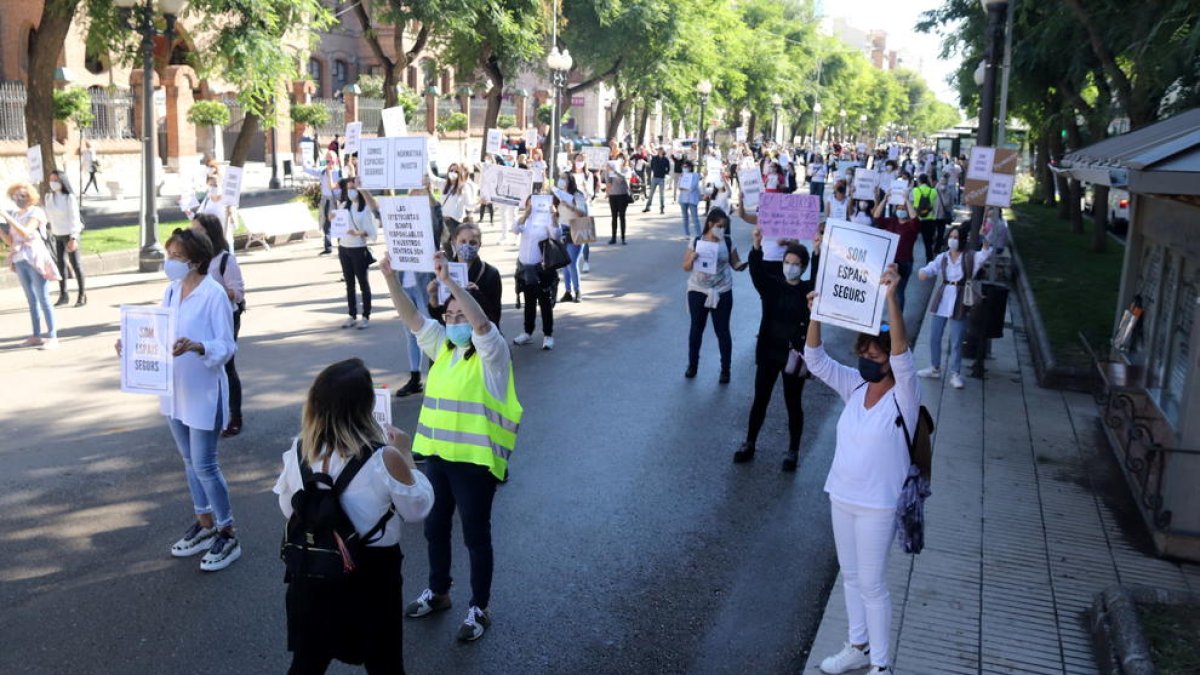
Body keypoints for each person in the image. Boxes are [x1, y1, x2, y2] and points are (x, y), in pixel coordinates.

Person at [378, 251, 522, 643]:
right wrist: (389, 277)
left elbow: (480, 324)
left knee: (476, 536)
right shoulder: (444, 348)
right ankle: (439, 591)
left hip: (474, 464)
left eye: (463, 316)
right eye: (450, 315)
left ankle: (479, 607)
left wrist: (452, 284)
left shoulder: (494, 356)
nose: (456, 322)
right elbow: (412, 319)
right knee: (435, 528)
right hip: (437, 457)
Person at [273, 359, 433, 674]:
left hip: (313, 570)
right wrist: (407, 456)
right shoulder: (383, 457)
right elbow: (418, 509)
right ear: (366, 407)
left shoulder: (299, 450)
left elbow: (288, 508)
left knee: (308, 661)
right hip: (372, 574)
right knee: (384, 661)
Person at [805, 264, 915, 675]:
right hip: (842, 496)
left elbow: (902, 355)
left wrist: (891, 299)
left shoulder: (904, 393)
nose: (868, 360)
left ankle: (882, 667)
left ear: (889, 359)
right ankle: (857, 646)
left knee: (872, 584)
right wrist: (816, 313)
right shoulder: (853, 384)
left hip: (878, 505)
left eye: (875, 355)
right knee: (850, 578)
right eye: (864, 354)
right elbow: (815, 360)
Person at [117, 228, 239, 571]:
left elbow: (227, 347)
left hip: (204, 392)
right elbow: (157, 334)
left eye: (176, 258)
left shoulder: (214, 295)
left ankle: (227, 531)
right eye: (168, 256)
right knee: (188, 462)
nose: (168, 263)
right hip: (174, 390)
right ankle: (204, 524)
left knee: (205, 465)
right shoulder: (171, 291)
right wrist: (130, 345)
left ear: (196, 262)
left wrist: (198, 346)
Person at [732, 217, 821, 470]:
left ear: (802, 267)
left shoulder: (808, 290)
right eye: (787, 262)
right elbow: (757, 272)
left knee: (793, 403)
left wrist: (817, 251)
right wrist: (757, 245)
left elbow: (819, 277)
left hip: (794, 356)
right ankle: (749, 442)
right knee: (760, 398)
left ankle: (793, 450)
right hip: (769, 352)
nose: (790, 267)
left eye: (796, 264)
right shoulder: (772, 286)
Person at [916, 224, 992, 390]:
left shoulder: (969, 257)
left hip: (960, 299)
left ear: (962, 239)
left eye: (957, 237)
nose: (953, 240)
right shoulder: (943, 257)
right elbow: (930, 269)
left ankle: (955, 373)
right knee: (935, 336)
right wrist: (923, 272)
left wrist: (985, 237)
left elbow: (985, 254)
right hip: (942, 297)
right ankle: (934, 367)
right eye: (951, 236)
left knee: (957, 339)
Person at [191, 214, 246, 437]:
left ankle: (235, 416)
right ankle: (210, 411)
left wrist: (215, 294)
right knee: (205, 365)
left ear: (210, 232)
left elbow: (238, 292)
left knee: (227, 365)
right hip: (201, 319)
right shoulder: (194, 259)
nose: (194, 234)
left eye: (198, 230)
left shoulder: (225, 260)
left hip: (225, 317)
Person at [681, 207, 745, 384]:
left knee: (722, 331)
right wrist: (692, 258)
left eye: (724, 227)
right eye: (719, 226)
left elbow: (735, 262)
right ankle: (692, 365)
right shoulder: (697, 241)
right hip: (698, 290)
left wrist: (743, 265)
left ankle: (725, 369)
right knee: (696, 329)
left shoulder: (728, 242)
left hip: (722, 290)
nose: (721, 230)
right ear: (710, 224)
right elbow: (685, 266)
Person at [3, 182, 60, 349]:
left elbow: (26, 232)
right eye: (15, 196)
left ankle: (53, 336)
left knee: (43, 298)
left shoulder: (36, 212)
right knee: (31, 299)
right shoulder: (15, 213)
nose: (19, 199)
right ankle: (36, 335)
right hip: (20, 259)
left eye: (22, 195)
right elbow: (12, 240)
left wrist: (7, 217)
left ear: (30, 197)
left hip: (35, 258)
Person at [427, 221, 503, 326]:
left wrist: (477, 295)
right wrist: (433, 297)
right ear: (454, 242)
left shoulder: (490, 274)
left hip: (480, 336)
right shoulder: (444, 271)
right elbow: (438, 315)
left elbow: (494, 317)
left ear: (479, 245)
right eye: (462, 241)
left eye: (472, 242)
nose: (467, 246)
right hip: (454, 334)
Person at [511, 194, 558, 350]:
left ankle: (548, 335)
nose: (533, 206)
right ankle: (527, 332)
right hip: (525, 268)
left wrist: (552, 215)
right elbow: (514, 229)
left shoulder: (545, 220)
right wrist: (526, 214)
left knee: (544, 302)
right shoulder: (525, 219)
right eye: (530, 203)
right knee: (529, 302)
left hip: (541, 269)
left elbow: (556, 235)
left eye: (535, 204)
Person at [335, 177, 378, 329]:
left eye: (353, 188)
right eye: (348, 188)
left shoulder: (364, 208)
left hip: (359, 249)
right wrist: (332, 218)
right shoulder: (344, 205)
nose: (351, 191)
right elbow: (337, 223)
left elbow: (371, 232)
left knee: (363, 284)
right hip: (344, 248)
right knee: (349, 284)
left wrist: (358, 233)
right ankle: (351, 314)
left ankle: (366, 316)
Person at [44, 171, 87, 307]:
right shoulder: (48, 197)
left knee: (76, 264)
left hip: (70, 234)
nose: (53, 182)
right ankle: (63, 294)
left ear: (62, 181)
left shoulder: (69, 198)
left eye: (56, 179)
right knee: (60, 265)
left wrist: (73, 238)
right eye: (51, 179)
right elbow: (47, 215)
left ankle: (82, 294)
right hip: (57, 234)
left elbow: (74, 218)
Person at [871, 198, 921, 313]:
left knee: (899, 292)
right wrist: (885, 198)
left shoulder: (912, 225)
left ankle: (897, 319)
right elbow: (877, 216)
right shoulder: (892, 221)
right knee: (887, 290)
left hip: (904, 263)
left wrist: (907, 200)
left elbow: (915, 218)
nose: (901, 210)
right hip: (890, 262)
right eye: (899, 208)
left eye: (904, 209)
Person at [554, 173, 589, 303]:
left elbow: (583, 213)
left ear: (570, 181)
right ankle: (567, 291)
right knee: (564, 264)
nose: (561, 180)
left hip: (576, 228)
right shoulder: (557, 196)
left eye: (564, 178)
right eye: (560, 177)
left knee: (572, 262)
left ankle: (578, 291)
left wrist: (569, 205)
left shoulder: (577, 195)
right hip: (562, 230)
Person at [434, 163, 477, 235]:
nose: (453, 173)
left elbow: (469, 204)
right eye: (451, 170)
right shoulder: (443, 184)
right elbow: (432, 178)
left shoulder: (464, 187)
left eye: (456, 171)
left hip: (456, 222)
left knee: (455, 243)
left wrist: (480, 202)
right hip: (444, 221)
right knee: (446, 244)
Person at [604, 154, 633, 245]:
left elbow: (623, 178)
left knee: (622, 216)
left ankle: (623, 237)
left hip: (623, 194)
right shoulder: (612, 169)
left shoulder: (626, 169)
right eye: (618, 159)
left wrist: (614, 171)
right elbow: (608, 181)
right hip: (613, 195)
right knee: (614, 217)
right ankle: (613, 237)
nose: (620, 161)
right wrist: (607, 171)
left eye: (622, 159)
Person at [911, 174, 939, 262]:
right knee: (928, 243)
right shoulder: (933, 191)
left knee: (911, 241)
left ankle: (910, 258)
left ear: (919, 181)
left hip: (917, 219)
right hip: (930, 220)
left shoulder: (915, 190)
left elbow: (912, 204)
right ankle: (929, 260)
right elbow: (935, 206)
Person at [678, 160, 702, 238]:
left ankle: (698, 234)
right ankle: (686, 234)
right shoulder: (682, 175)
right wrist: (681, 180)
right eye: (683, 167)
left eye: (686, 167)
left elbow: (693, 186)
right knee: (685, 217)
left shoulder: (695, 175)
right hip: (683, 198)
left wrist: (686, 188)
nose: (684, 168)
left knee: (694, 217)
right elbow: (679, 186)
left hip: (692, 199)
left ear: (690, 167)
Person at [644, 147, 670, 214]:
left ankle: (662, 208)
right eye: (659, 150)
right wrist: (654, 171)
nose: (660, 151)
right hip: (655, 177)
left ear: (663, 151)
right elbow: (652, 166)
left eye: (661, 150)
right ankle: (648, 207)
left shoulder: (665, 159)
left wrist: (665, 173)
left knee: (662, 194)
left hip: (662, 178)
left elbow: (668, 168)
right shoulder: (654, 158)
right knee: (651, 193)